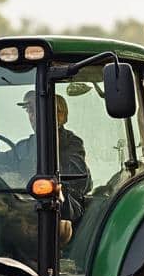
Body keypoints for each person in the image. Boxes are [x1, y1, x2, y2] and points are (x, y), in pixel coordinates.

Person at [11, 91, 91, 223]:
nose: (32, 116)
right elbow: (3, 159)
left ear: (61, 116)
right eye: (30, 111)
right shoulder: (24, 146)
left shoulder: (71, 143)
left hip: (62, 205)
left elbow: (78, 177)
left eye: (37, 110)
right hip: (30, 200)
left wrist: (50, 143)